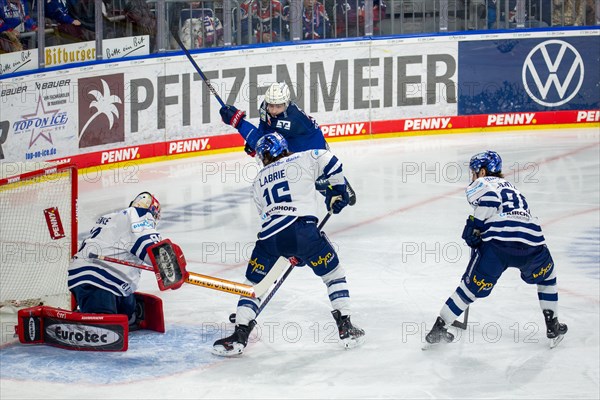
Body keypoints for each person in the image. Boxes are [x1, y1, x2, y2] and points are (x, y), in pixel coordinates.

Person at [212, 133, 364, 356]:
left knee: (254, 286)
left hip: (269, 241)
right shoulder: (302, 158)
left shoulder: (257, 182)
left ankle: (240, 333)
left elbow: (266, 217)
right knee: (333, 275)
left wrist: (289, 252)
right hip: (303, 232)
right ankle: (346, 326)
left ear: (264, 156)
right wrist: (338, 191)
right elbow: (332, 161)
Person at [424, 151, 568, 348]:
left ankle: (439, 328)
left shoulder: (482, 183)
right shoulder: (513, 188)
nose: (473, 176)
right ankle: (552, 324)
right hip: (532, 243)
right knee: (548, 278)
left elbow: (490, 200)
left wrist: (476, 226)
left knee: (468, 289)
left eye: (474, 172)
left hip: (498, 245)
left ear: (482, 171)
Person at [219, 82, 357, 204]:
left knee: (328, 188)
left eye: (278, 106)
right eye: (271, 105)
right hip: (293, 149)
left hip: (313, 150)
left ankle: (341, 184)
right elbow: (264, 129)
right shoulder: (265, 107)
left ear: (286, 104)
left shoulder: (292, 120)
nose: (273, 110)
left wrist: (238, 123)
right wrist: (256, 144)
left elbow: (264, 140)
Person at [67, 192, 163, 326]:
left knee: (126, 317)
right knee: (106, 325)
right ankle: (88, 318)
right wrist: (169, 267)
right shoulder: (139, 215)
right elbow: (148, 245)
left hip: (103, 279)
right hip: (98, 278)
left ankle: (92, 312)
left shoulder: (113, 218)